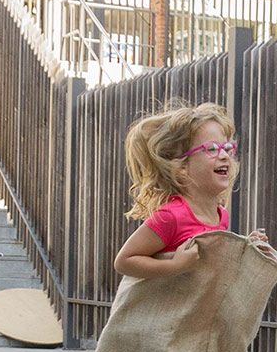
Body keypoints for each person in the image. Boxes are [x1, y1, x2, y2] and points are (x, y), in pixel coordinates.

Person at [113, 101, 264, 280]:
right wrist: (174, 265)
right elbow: (124, 261)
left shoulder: (221, 215)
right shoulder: (171, 216)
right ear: (182, 167)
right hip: (168, 306)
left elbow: (210, 262)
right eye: (212, 149)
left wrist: (246, 247)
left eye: (227, 148)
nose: (224, 155)